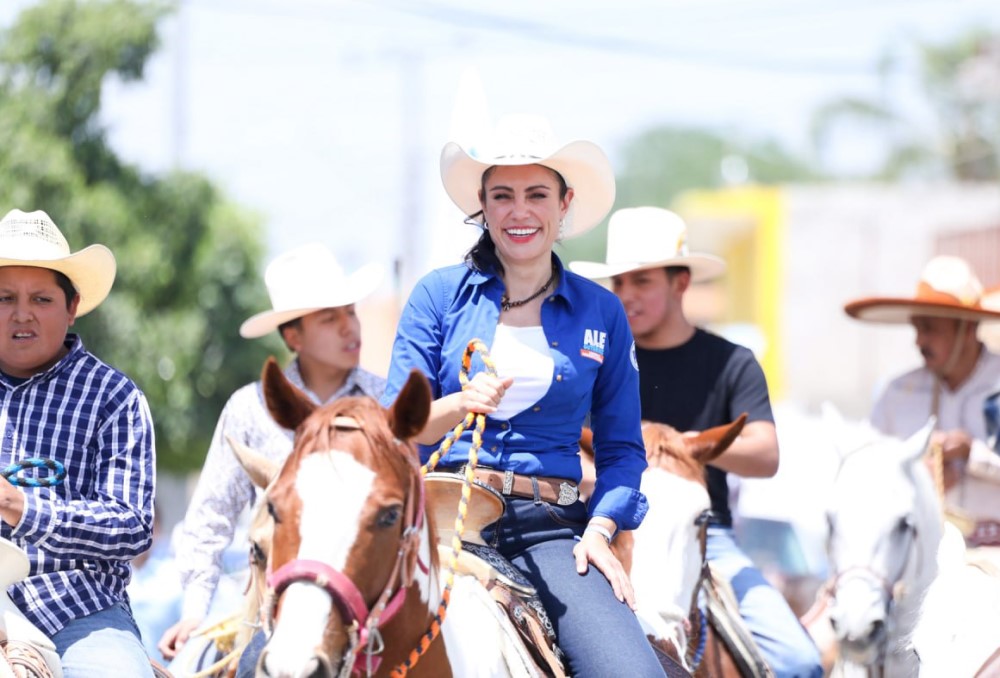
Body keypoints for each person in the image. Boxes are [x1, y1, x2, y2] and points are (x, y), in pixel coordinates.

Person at [380, 114, 662, 677]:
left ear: (564, 205)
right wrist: (460, 405)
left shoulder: (601, 311)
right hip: (439, 517)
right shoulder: (438, 295)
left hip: (552, 528)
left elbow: (622, 451)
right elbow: (395, 429)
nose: (520, 211)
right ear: (483, 207)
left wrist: (602, 530)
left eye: (537, 194)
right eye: (502, 196)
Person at [570, 206, 823, 678]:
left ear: (680, 282)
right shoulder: (595, 363)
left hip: (707, 537)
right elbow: (570, 454)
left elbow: (766, 453)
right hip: (608, 530)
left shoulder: (731, 362)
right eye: (618, 283)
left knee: (799, 660)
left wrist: (683, 452)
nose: (626, 296)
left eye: (641, 281)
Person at [158, 243, 387, 660]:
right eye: (329, 317)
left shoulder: (383, 402)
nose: (349, 327)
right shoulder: (251, 407)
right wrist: (195, 611)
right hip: (282, 605)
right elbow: (211, 514)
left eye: (351, 312)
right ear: (293, 335)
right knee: (252, 666)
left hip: (373, 603)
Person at [0, 208, 156, 676]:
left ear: (72, 308)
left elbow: (132, 524)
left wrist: (27, 509)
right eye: (4, 297)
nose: (22, 313)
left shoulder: (115, 397)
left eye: (41, 299)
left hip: (78, 607)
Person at [843, 255, 1000, 537]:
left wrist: (973, 454)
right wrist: (915, 474)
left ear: (967, 329)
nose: (918, 341)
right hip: (919, 559)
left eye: (929, 328)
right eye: (917, 327)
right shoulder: (898, 393)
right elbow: (862, 472)